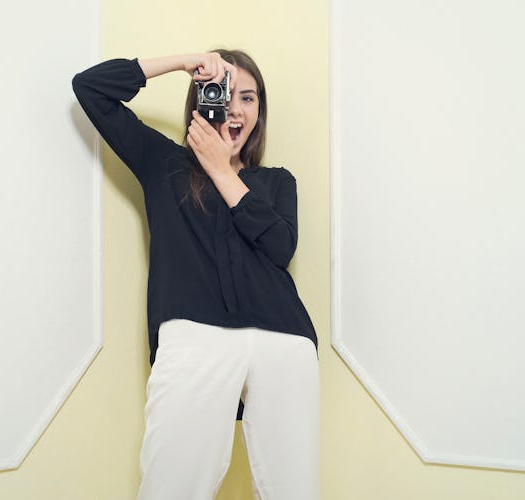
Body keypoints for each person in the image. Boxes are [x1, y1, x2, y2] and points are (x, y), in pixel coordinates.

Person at [72, 50, 319, 500]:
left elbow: (281, 248)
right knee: (171, 485)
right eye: (224, 92)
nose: (236, 108)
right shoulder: (162, 163)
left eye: (249, 97)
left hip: (284, 339)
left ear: (259, 111)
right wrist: (183, 60)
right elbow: (90, 89)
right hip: (193, 335)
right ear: (201, 100)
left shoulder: (277, 181)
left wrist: (222, 169)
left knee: (294, 490)